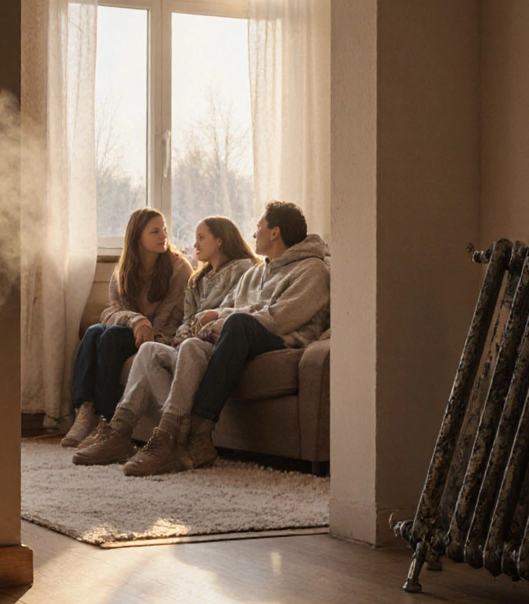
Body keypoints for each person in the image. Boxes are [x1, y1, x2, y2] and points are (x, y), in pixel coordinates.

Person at [125, 201, 330, 477]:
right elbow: (230, 306)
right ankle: (167, 434)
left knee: (237, 324)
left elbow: (280, 319)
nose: (254, 233)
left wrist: (222, 321)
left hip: (281, 338)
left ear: (275, 232)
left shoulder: (312, 270)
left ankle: (200, 430)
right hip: (241, 336)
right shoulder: (256, 272)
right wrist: (212, 315)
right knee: (188, 345)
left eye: (259, 226)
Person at [71, 216, 259, 467]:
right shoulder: (199, 279)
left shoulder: (245, 272)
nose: (194, 244)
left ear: (220, 241)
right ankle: (117, 430)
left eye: (201, 238)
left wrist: (199, 326)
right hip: (183, 342)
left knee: (122, 338)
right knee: (138, 346)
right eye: (155, 231)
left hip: (210, 344)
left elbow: (243, 311)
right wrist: (175, 331)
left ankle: (170, 436)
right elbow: (186, 318)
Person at [61, 208, 193, 447]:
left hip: (160, 336)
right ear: (137, 237)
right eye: (155, 231)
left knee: (111, 335)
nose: (163, 236)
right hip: (133, 331)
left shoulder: (178, 269)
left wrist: (145, 328)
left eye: (164, 230)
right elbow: (111, 312)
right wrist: (136, 321)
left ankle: (107, 421)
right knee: (93, 332)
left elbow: (167, 321)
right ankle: (84, 412)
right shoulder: (124, 269)